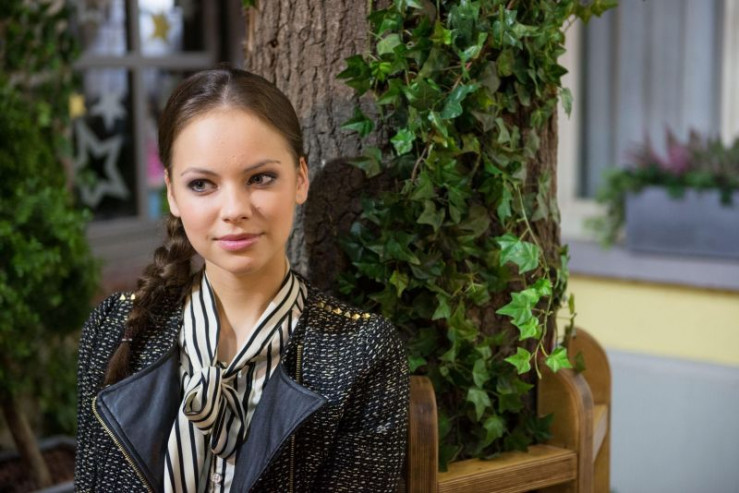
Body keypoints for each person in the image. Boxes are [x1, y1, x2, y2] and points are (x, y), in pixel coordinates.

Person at [75, 67, 409, 493]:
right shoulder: (113, 330)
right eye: (202, 184)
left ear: (300, 179)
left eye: (260, 178)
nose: (234, 209)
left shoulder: (361, 352)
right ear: (172, 194)